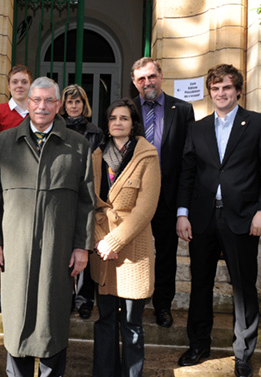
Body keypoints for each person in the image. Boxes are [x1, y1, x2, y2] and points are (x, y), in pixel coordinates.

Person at [0, 77, 95, 377]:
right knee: (17, 320)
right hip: (15, 250)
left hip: (56, 252)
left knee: (52, 319)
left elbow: (86, 201)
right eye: (37, 100)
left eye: (49, 101)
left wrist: (82, 246)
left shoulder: (77, 146)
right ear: (27, 103)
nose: (42, 106)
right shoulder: (3, 143)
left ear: (58, 105)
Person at [176, 64, 261, 377]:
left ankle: (243, 354)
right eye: (215, 88)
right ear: (210, 92)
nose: (220, 93)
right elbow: (187, 174)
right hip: (202, 218)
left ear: (238, 91)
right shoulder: (197, 128)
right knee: (200, 286)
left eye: (226, 88)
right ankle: (198, 345)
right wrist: (182, 213)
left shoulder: (259, 124)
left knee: (243, 288)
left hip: (243, 218)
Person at [91, 98, 161, 377]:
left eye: (124, 118)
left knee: (132, 323)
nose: (118, 122)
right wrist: (99, 239)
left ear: (133, 124)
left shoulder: (147, 155)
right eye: (113, 118)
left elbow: (146, 207)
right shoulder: (97, 155)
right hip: (103, 249)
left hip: (132, 248)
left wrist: (114, 241)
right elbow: (92, 202)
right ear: (107, 125)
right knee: (106, 318)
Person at [131, 57, 195, 328]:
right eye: (141, 79)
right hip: (135, 198)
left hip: (168, 198)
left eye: (151, 76)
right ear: (135, 83)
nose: (147, 82)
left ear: (160, 76)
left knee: (167, 255)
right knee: (134, 251)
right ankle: (133, 301)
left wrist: (183, 207)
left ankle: (163, 306)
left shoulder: (182, 109)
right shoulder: (127, 109)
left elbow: (188, 160)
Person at [0, 64, 33, 314]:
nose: (20, 86)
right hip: (6, 185)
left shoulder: (37, 111)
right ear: (9, 85)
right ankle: (3, 294)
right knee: (5, 241)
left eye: (24, 81)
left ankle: (27, 295)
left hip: (34, 185)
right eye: (15, 82)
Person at [59, 84, 102, 320]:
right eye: (69, 102)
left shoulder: (96, 132)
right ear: (64, 105)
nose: (74, 106)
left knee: (85, 245)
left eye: (78, 102)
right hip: (64, 192)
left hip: (87, 192)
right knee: (65, 246)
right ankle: (65, 297)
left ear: (84, 105)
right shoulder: (57, 128)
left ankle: (85, 299)